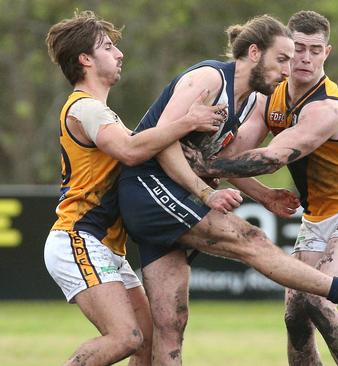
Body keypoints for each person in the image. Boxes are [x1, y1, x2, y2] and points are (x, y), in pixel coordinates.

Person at [117, 14, 338, 365]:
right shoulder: (252, 93)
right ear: (258, 52)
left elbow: (270, 157)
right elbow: (229, 153)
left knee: (311, 302)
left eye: (313, 51)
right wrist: (241, 190)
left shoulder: (328, 108)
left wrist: (212, 174)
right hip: (304, 213)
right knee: (281, 290)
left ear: (326, 53)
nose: (300, 61)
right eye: (292, 52)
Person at [43, 10, 226, 366]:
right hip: (78, 237)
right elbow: (131, 151)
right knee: (125, 337)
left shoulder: (100, 113)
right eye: (108, 47)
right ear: (85, 60)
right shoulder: (86, 108)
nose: (119, 54)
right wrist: (188, 121)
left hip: (106, 246)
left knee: (148, 340)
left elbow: (145, 149)